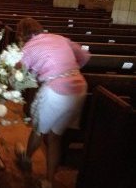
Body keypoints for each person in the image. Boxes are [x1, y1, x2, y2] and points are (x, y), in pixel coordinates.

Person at [14, 18, 90, 188]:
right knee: (55, 137)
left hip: (57, 91)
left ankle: (26, 159)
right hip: (80, 87)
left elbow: (20, 74)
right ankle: (49, 181)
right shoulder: (59, 38)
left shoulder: (29, 47)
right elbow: (84, 56)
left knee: (38, 130)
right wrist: (69, 70)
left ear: (21, 35)